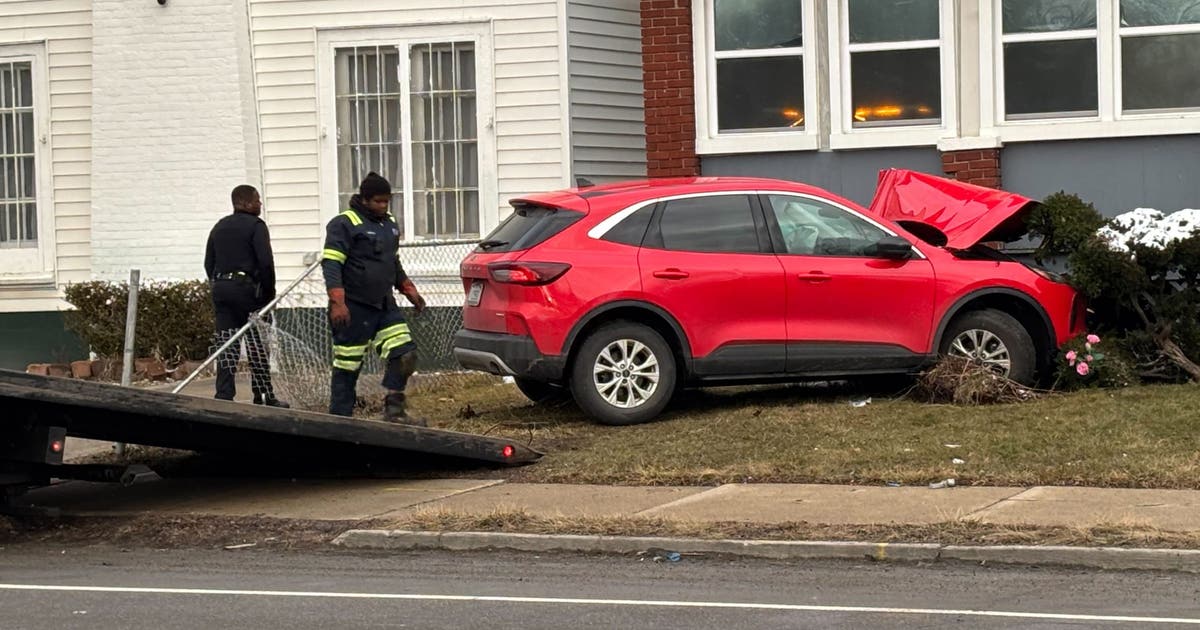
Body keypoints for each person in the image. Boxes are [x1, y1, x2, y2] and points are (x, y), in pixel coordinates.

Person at [321, 172, 428, 424]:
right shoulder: (344, 223)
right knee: (347, 367)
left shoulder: (389, 224)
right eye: (378, 201)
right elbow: (332, 263)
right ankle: (340, 421)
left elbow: (392, 261)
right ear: (364, 199)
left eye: (386, 201)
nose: (383, 206)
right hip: (353, 308)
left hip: (383, 305)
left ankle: (394, 410)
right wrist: (338, 302)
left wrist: (408, 288)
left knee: (405, 354)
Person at [203, 184, 288, 408]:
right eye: (257, 200)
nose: (260, 204)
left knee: (227, 343)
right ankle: (263, 395)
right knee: (257, 343)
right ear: (246, 203)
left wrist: (218, 284)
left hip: (221, 289)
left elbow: (208, 262)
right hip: (247, 292)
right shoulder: (256, 226)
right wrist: (268, 296)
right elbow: (265, 262)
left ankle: (224, 396)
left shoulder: (219, 227)